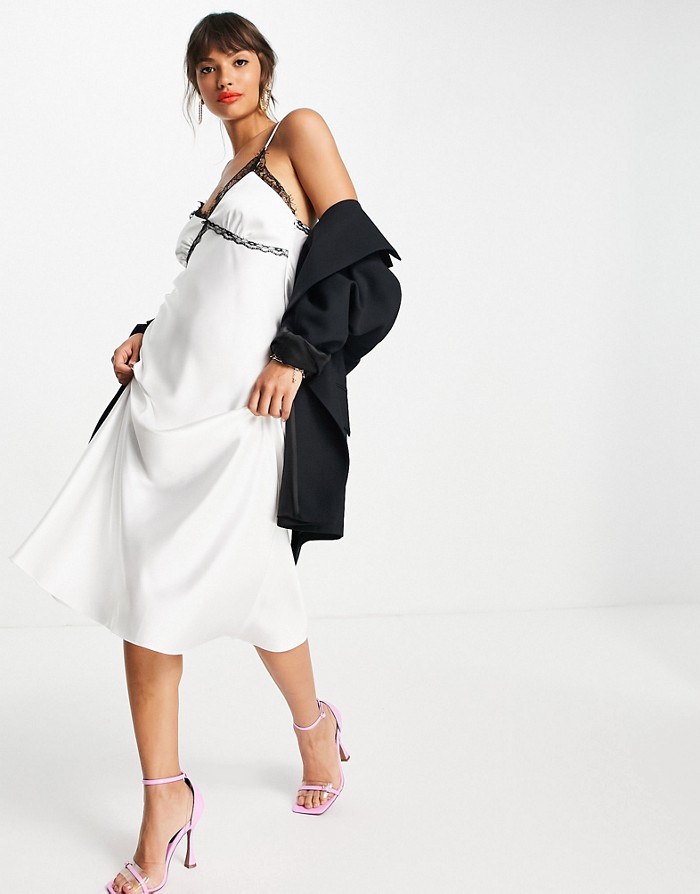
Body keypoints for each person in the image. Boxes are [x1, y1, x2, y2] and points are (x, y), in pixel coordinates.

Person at [9, 12, 401, 894]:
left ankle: (313, 727)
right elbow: (216, 287)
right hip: (163, 406)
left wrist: (297, 356)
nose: (224, 79)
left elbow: (368, 275)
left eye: (239, 61)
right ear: (194, 84)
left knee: (263, 593)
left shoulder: (299, 134)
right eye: (207, 68)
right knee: (146, 601)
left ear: (265, 68)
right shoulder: (223, 175)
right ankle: (165, 799)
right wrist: (148, 332)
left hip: (240, 416)